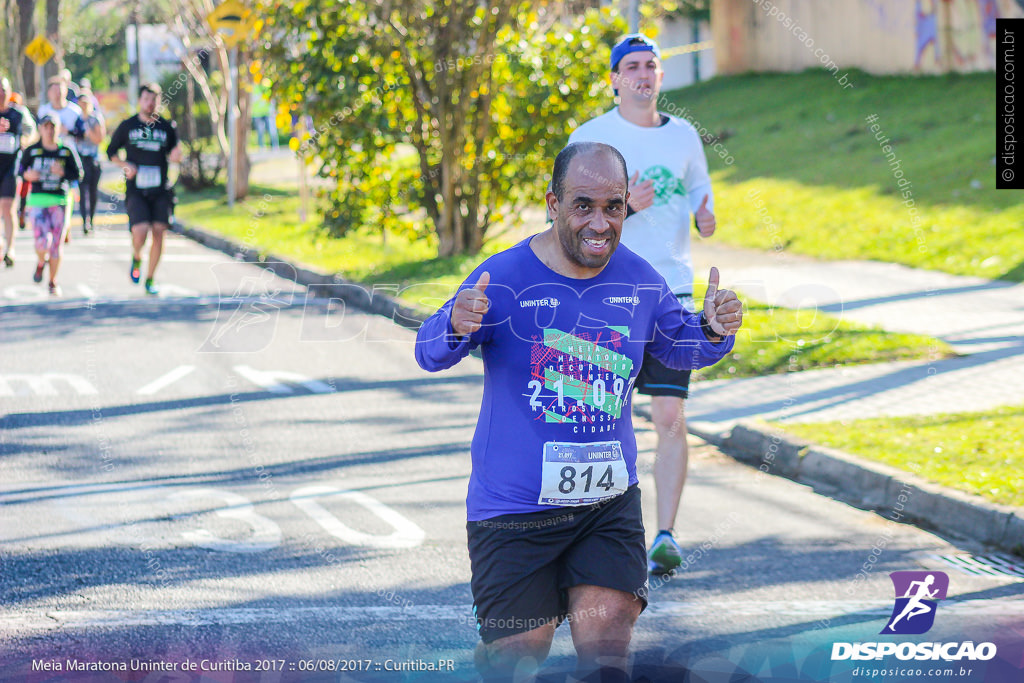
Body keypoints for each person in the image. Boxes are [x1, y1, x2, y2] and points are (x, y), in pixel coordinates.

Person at [415, 142, 742, 681]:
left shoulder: (638, 280)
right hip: (512, 511)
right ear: (553, 203)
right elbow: (428, 352)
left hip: (605, 506)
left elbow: (680, 347)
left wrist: (712, 327)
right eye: (582, 205)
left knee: (609, 640)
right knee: (519, 657)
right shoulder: (506, 277)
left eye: (613, 206)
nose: (599, 222)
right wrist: (454, 322)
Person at [568, 34, 719, 575]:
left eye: (651, 65)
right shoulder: (590, 138)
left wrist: (707, 217)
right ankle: (586, 529)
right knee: (592, 415)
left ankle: (665, 535)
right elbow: (566, 220)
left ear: (660, 75)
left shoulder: (683, 137)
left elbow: (702, 190)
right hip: (603, 293)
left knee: (670, 415)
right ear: (613, 78)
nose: (642, 74)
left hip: (671, 291)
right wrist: (622, 207)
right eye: (630, 66)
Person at [107, 83, 182, 296]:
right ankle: (137, 256)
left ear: (159, 102)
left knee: (159, 232)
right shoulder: (128, 126)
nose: (150, 103)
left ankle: (150, 278)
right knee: (140, 232)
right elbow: (111, 151)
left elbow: (176, 150)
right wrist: (125, 165)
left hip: (160, 190)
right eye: (147, 99)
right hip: (136, 189)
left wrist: (177, 155)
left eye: (154, 100)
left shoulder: (166, 127)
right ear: (140, 100)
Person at [18, 113, 82, 296]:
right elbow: (21, 170)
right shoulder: (32, 150)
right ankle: (41, 262)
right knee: (41, 243)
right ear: (40, 129)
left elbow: (78, 174)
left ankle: (52, 281)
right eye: (45, 126)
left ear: (58, 128)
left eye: (53, 126)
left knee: (56, 245)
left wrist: (63, 172)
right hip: (38, 200)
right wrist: (27, 176)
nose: (49, 130)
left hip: (60, 201)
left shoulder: (66, 151)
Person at [0, 76, 26, 267]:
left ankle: (10, 248)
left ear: (9, 92)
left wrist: (25, 140)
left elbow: (32, 131)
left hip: (11, 168)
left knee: (8, 208)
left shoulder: (18, 114)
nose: (1, 93)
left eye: (3, 89)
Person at [73, 90, 105, 235]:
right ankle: (84, 222)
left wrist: (87, 132)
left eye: (86, 102)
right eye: (81, 102)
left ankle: (91, 220)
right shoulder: (77, 119)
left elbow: (99, 138)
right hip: (80, 159)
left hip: (93, 159)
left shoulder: (95, 118)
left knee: (92, 191)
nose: (83, 105)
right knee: (82, 191)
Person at [9, 91, 38, 233]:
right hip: (6, 159)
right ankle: (13, 210)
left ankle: (21, 212)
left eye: (15, 102)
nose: (12, 104)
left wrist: (24, 141)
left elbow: (32, 131)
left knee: (24, 188)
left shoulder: (22, 113)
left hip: (21, 157)